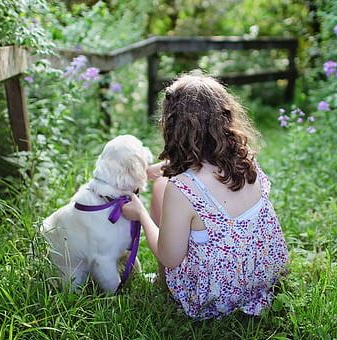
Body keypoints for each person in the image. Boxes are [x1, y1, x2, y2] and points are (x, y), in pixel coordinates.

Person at [122, 73, 288, 320]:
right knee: (168, 186)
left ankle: (163, 282)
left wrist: (141, 215)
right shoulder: (246, 159)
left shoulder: (181, 188)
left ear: (174, 126)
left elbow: (170, 257)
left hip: (215, 295)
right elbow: (209, 178)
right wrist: (172, 166)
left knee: (161, 188)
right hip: (263, 276)